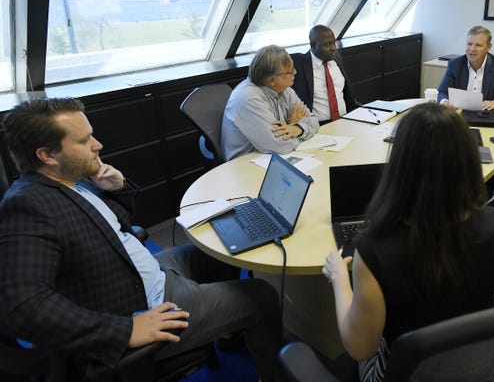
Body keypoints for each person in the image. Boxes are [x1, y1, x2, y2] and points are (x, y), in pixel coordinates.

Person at [0, 98, 283, 380]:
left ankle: (227, 332)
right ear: (47, 155)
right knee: (263, 295)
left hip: (144, 270)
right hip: (146, 303)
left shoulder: (70, 178)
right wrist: (126, 330)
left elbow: (113, 228)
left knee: (215, 250)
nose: (97, 145)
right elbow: (22, 307)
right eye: (85, 140)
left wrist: (118, 189)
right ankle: (272, 375)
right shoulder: (28, 206)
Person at [322, 103, 494, 381]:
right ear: (468, 159)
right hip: (477, 364)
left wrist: (340, 278)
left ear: (400, 166)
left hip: (403, 372)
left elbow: (360, 348)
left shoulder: (375, 249)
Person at [222, 45, 320, 161]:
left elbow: (313, 121)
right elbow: (280, 146)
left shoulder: (286, 90)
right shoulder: (249, 98)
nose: (295, 72)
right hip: (246, 164)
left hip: (273, 157)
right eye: (290, 71)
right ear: (272, 80)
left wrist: (297, 128)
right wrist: (292, 125)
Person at [437, 25, 494, 110]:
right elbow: (442, 92)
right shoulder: (455, 65)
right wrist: (444, 102)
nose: (472, 49)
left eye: (478, 45)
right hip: (460, 114)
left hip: (487, 114)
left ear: (488, 47)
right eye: (469, 44)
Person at [291, 25, 358, 124]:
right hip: (317, 125)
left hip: (345, 119)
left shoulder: (336, 58)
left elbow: (346, 93)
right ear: (313, 45)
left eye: (334, 43)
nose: (333, 48)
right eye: (327, 45)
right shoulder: (298, 64)